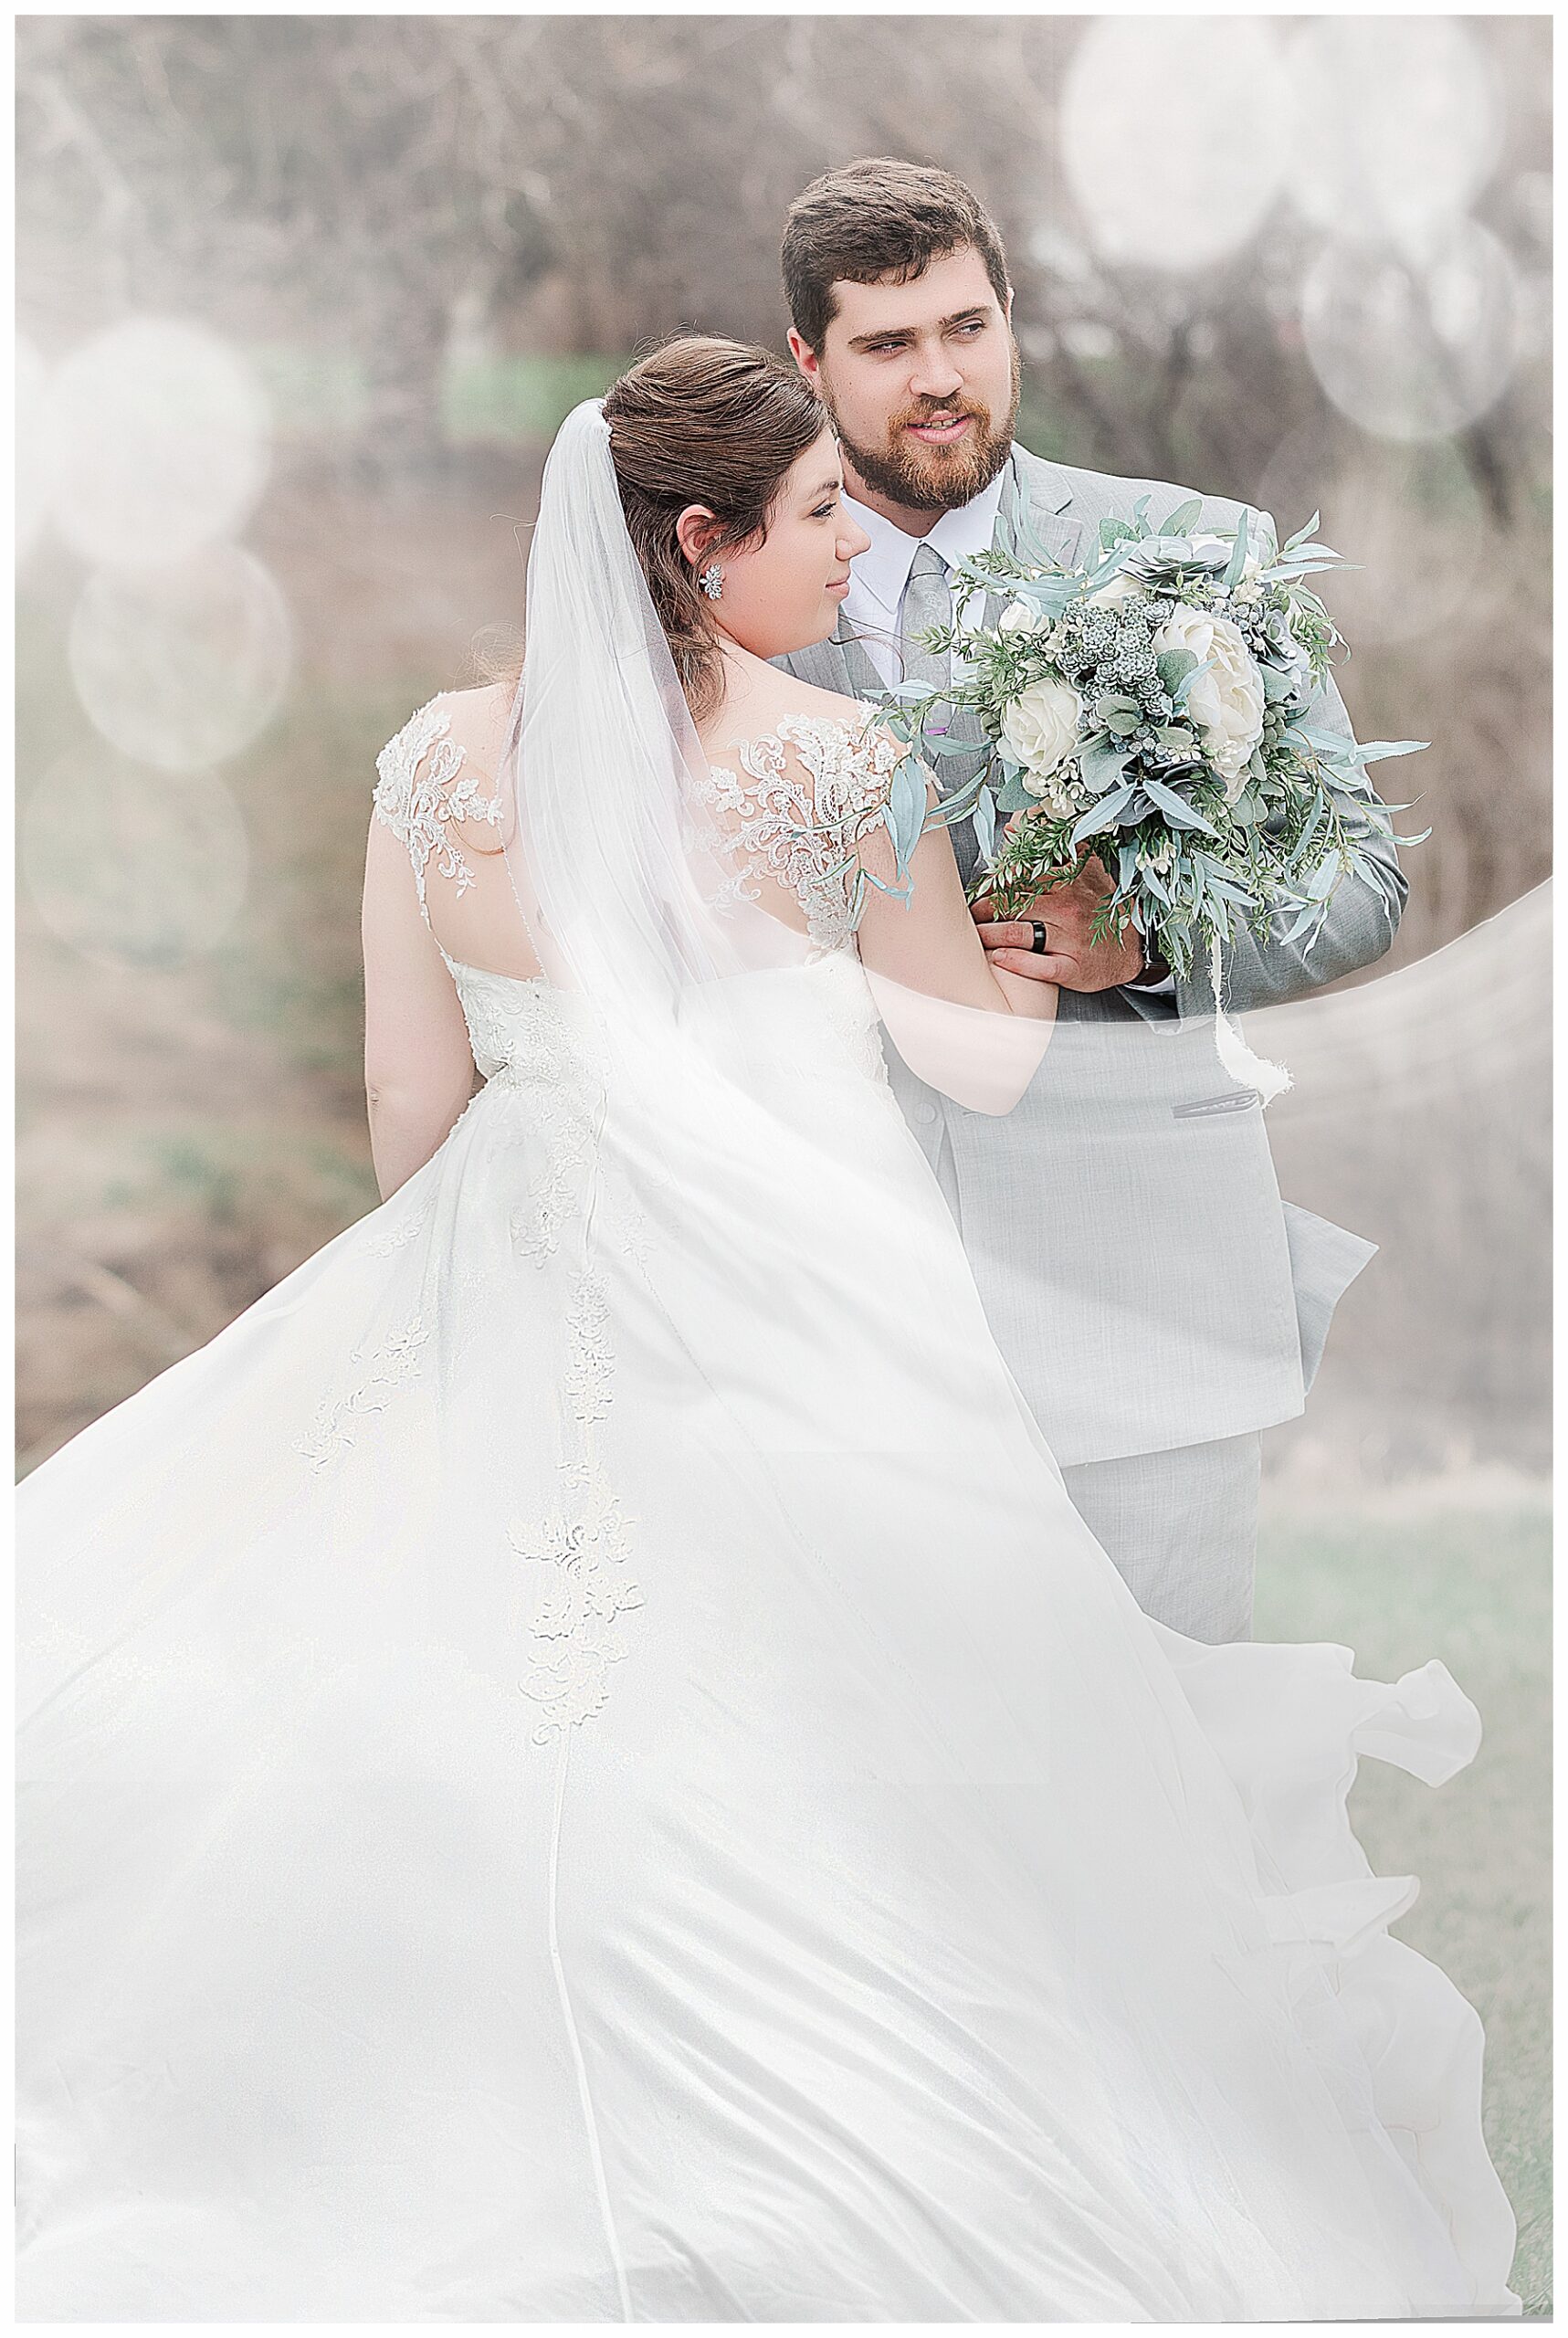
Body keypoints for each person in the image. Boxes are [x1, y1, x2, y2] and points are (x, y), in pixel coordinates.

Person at [16, 339, 1517, 2321]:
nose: (851, 538)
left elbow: (411, 1115)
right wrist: (1056, 932)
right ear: (702, 539)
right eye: (816, 510)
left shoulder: (438, 768)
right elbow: (969, 1079)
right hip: (830, 1322)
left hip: (524, 1283)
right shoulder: (843, 763)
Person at [777, 158, 1397, 1643]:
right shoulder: (733, 598)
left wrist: (1155, 936)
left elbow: (1360, 884)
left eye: (968, 329)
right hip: (849, 1291)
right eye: (887, 345)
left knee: (1176, 1757)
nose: (942, 380)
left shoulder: (1193, 554)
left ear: (1011, 319)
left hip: (1144, 1272)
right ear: (808, 359)